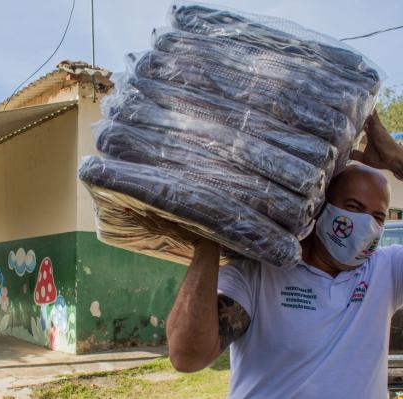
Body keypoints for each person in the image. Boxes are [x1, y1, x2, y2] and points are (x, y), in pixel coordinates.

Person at [157, 111, 403, 398]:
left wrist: (396, 160)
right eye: (355, 207)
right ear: (319, 207)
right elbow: (187, 356)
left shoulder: (385, 271)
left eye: (379, 216)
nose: (368, 225)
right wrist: (209, 238)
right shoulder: (257, 273)